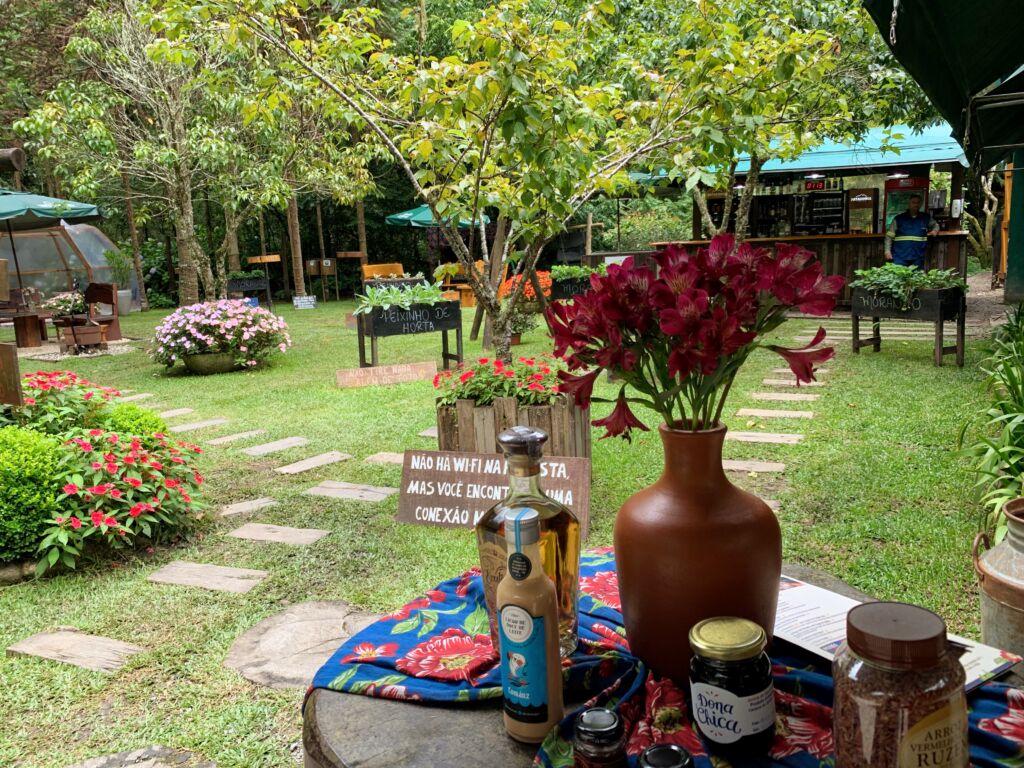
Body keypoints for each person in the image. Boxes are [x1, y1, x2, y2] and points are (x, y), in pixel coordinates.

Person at [884, 193, 939, 268]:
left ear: (920, 204)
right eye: (913, 202)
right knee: (898, 278)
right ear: (909, 204)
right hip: (899, 256)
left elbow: (936, 225)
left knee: (916, 279)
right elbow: (889, 236)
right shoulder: (899, 219)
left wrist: (935, 231)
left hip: (918, 256)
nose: (916, 205)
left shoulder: (926, 218)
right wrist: (887, 251)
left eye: (918, 202)